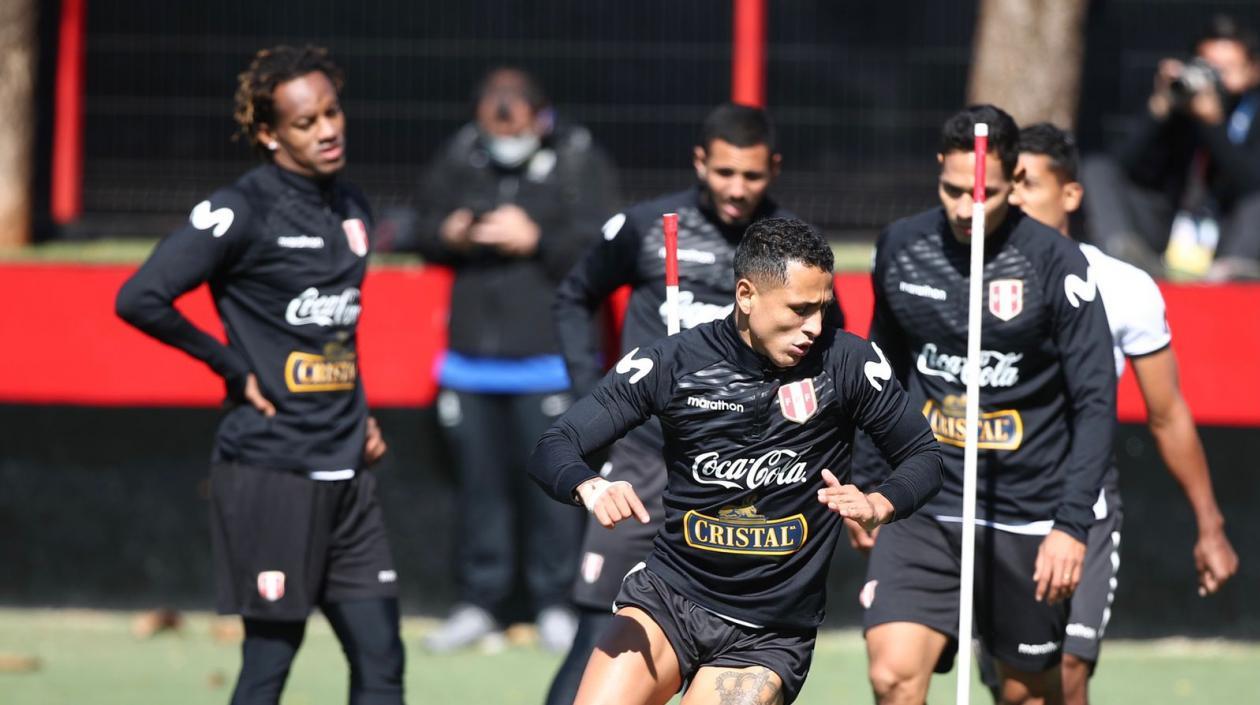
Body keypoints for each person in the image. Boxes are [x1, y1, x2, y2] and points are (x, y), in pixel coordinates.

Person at [530, 217, 943, 705]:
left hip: (768, 632)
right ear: (746, 295)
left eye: (822, 309)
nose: (815, 326)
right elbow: (555, 445)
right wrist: (591, 487)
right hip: (667, 599)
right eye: (799, 309)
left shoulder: (848, 363)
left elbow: (925, 456)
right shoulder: (674, 361)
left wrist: (881, 502)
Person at [115, 46, 404, 704]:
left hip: (348, 472)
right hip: (271, 469)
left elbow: (337, 332)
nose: (328, 129)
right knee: (270, 663)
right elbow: (140, 296)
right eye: (306, 122)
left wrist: (360, 410)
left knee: (382, 659)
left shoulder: (353, 205)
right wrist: (232, 364)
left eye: (333, 112)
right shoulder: (242, 208)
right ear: (270, 133)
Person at [545, 103, 843, 705]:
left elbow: (836, 359)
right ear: (700, 161)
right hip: (645, 461)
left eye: (752, 176)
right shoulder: (649, 226)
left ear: (774, 170)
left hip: (741, 474)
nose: (737, 189)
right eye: (725, 172)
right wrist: (599, 396)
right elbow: (574, 296)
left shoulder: (791, 252)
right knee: (597, 642)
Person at [853, 105, 1117, 705]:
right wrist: (869, 483)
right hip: (924, 499)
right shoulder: (900, 248)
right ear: (938, 175)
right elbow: (880, 376)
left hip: (1027, 509)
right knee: (892, 675)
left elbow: (1096, 401)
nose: (968, 208)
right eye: (953, 191)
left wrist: (1071, 526)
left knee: (1024, 694)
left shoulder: (1058, 265)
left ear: (1015, 181)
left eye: (987, 194)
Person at [1001, 122, 1240, 705]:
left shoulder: (1122, 287)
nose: (1014, 196)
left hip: (1078, 508)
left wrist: (1209, 526)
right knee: (1012, 688)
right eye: (1005, 183)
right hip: (988, 504)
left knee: (1064, 678)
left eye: (1028, 182)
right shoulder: (972, 278)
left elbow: (1167, 415)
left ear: (1072, 195)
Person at [411, 67, 619, 653]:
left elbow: (605, 241)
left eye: (516, 122)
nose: (503, 134)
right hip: (470, 364)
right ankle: (480, 603)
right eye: (492, 122)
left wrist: (538, 239)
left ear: (540, 115)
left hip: (548, 364)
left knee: (555, 490)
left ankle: (556, 603)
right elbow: (415, 224)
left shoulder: (578, 160)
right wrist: (448, 231)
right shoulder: (461, 155)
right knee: (479, 492)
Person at [1080, 14, 1260, 280]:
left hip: (1231, 233)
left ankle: (1232, 273)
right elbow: (1122, 166)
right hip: (1166, 227)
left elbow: (1250, 182)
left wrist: (1212, 123)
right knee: (1096, 168)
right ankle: (1121, 257)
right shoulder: (1177, 108)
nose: (1215, 80)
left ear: (1253, 71)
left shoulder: (1253, 114)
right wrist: (1158, 109)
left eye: (1226, 70)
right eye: (1207, 67)